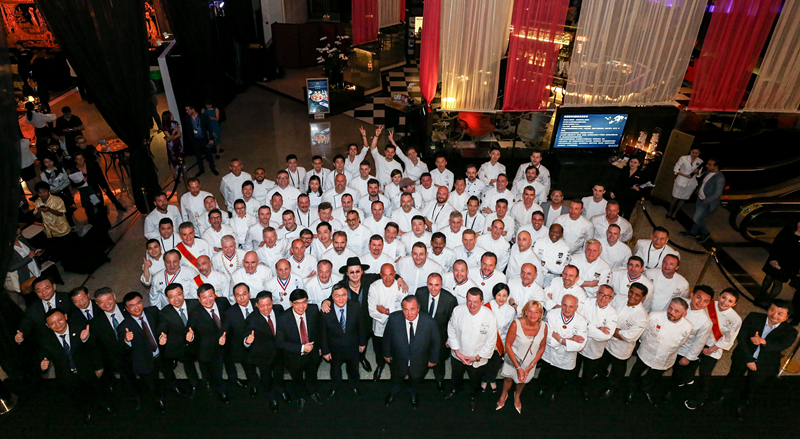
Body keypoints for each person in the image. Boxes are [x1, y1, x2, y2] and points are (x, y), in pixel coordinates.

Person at [714, 300, 797, 417]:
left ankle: (743, 405)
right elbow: (741, 337)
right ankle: (723, 396)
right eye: (772, 310)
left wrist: (763, 342)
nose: (774, 315)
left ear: (787, 316)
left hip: (765, 363)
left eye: (780, 313)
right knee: (733, 376)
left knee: (753, 384)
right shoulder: (754, 317)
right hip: (744, 355)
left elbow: (781, 346)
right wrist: (749, 360)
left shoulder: (791, 332)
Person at [38, 309, 110, 423]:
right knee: (77, 396)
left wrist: (98, 366)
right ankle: (85, 412)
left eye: (59, 319)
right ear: (47, 325)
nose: (57, 324)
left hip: (87, 369)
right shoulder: (46, 340)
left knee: (98, 390)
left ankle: (107, 406)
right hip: (66, 375)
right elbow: (43, 357)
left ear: (66, 317)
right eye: (52, 323)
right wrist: (42, 366)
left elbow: (94, 349)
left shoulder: (80, 329)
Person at [627, 298, 692, 405]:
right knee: (636, 372)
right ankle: (631, 390)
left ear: (684, 314)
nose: (671, 312)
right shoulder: (654, 316)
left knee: (653, 377)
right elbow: (644, 334)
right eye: (670, 308)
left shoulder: (687, 327)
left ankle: (645, 389)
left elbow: (681, 342)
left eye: (676, 311)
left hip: (665, 358)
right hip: (646, 352)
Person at [684, 288, 742, 410]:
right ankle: (687, 380)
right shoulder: (708, 304)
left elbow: (728, 339)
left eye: (730, 301)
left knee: (705, 372)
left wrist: (710, 350)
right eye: (723, 297)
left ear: (734, 304)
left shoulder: (735, 319)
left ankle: (701, 397)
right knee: (691, 362)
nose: (725, 302)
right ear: (719, 296)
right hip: (697, 341)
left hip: (713, 347)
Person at [445, 287, 498, 411]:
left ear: (482, 301)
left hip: (477, 357)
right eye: (469, 301)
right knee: (456, 375)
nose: (472, 305)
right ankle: (454, 389)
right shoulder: (458, 311)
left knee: (475, 380)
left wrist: (477, 358)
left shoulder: (489, 316)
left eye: (475, 302)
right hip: (458, 354)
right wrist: (458, 352)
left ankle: (474, 396)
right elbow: (451, 330)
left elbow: (491, 341)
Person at [383, 296, 440, 408]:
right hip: (398, 359)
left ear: (418, 309)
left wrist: (433, 359)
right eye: (406, 309)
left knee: (415, 379)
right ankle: (393, 392)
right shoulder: (394, 319)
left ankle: (413, 393)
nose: (409, 313)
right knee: (396, 378)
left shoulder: (429, 322)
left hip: (419, 361)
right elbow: (387, 337)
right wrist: (386, 353)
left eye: (412, 309)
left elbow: (436, 342)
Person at [117, 292, 167, 412]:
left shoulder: (153, 311)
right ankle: (157, 399)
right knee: (152, 384)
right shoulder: (123, 327)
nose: (136, 307)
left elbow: (163, 322)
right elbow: (122, 350)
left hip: (161, 353)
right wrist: (127, 341)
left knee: (168, 373)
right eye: (132, 305)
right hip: (145, 361)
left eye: (138, 303)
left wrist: (163, 333)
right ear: (126, 308)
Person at [276, 289, 323, 412]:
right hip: (294, 356)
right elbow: (280, 342)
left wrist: (320, 347)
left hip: (313, 353)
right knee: (297, 378)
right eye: (297, 303)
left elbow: (320, 330)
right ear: (291, 303)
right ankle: (301, 396)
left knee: (312, 374)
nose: (301, 306)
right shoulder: (283, 318)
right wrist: (302, 348)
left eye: (304, 302)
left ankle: (312, 391)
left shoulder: (313, 310)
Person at [600, 283, 649, 399]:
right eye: (631, 292)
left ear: (643, 298)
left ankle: (611, 388)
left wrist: (611, 329)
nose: (632, 296)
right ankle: (600, 376)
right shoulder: (619, 298)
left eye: (637, 295)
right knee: (602, 361)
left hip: (621, 349)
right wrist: (618, 332)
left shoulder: (642, 316)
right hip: (606, 341)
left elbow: (630, 337)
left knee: (617, 370)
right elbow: (606, 312)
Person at [497, 300, 547, 413]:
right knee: (508, 378)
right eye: (530, 311)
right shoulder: (516, 324)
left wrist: (531, 366)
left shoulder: (544, 327)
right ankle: (504, 394)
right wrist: (517, 367)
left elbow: (542, 348)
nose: (533, 315)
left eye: (536, 312)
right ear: (525, 312)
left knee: (522, 381)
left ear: (540, 314)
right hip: (513, 359)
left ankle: (517, 395)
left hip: (530, 362)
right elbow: (508, 345)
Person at [538, 294, 588, 402]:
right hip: (549, 354)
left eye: (571, 306)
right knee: (545, 373)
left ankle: (554, 392)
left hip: (565, 358)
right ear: (561, 304)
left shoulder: (582, 321)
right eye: (564, 305)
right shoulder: (551, 314)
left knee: (559, 377)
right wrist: (570, 340)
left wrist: (559, 339)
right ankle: (542, 388)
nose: (567, 309)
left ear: (576, 307)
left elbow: (580, 346)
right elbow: (548, 337)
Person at [321, 284, 366, 400]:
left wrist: (362, 343)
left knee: (354, 369)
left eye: (344, 295)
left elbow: (361, 326)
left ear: (347, 295)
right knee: (335, 370)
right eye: (337, 295)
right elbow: (323, 333)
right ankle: (334, 387)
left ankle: (354, 385)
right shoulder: (326, 311)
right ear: (332, 297)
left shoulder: (355, 306)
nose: (341, 298)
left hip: (353, 346)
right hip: (335, 349)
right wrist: (325, 351)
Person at [243, 290, 286, 410]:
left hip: (279, 351)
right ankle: (271, 396)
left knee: (279, 373)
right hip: (263, 354)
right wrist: (247, 341)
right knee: (266, 377)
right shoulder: (252, 319)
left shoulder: (279, 309)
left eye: (268, 304)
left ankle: (280, 389)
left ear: (272, 302)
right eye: (262, 306)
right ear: (257, 305)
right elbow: (246, 337)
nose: (266, 309)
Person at [156, 284, 199, 396]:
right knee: (188, 365)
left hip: (198, 340)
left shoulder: (195, 304)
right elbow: (162, 327)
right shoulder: (164, 313)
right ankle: (194, 384)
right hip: (181, 344)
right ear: (167, 298)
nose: (176, 299)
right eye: (172, 296)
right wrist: (162, 336)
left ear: (183, 293)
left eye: (178, 294)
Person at [416, 273, 457, 390]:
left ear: (441, 285)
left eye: (436, 285)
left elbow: (453, 322)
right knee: (421, 357)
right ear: (427, 284)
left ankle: (439, 378)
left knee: (439, 359)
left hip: (441, 335)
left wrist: (450, 338)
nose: (433, 288)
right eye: (430, 284)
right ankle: (420, 376)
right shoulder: (420, 293)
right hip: (422, 334)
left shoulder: (450, 300)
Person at [368, 264, 409, 381]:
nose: (388, 278)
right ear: (381, 274)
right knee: (379, 349)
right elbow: (372, 311)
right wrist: (391, 312)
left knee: (395, 348)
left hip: (396, 326)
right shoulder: (374, 287)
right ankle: (380, 365)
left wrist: (385, 311)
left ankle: (394, 368)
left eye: (390, 275)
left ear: (395, 274)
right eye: (384, 275)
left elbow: (404, 311)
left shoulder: (401, 287)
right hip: (379, 325)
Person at [576, 285, 618, 400]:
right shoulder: (587, 302)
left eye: (607, 296)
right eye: (601, 294)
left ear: (611, 298)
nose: (603, 298)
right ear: (597, 293)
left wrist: (587, 326)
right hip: (579, 343)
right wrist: (597, 328)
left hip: (594, 350)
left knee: (588, 373)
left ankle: (585, 390)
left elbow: (605, 336)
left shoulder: (612, 313)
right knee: (574, 369)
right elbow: (577, 319)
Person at [754, 219, 800, 308]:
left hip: (788, 264)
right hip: (776, 258)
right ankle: (761, 295)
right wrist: (773, 258)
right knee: (768, 278)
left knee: (778, 282)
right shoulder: (788, 230)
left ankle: (769, 300)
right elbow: (776, 243)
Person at [480, 283, 516, 392]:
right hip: (486, 340)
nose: (501, 298)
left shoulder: (511, 311)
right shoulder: (486, 307)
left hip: (500, 342)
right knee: (485, 362)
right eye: (499, 295)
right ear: (494, 295)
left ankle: (492, 379)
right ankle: (484, 379)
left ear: (508, 296)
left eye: (504, 295)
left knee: (495, 363)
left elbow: (510, 328)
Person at [683, 158, 725, 243]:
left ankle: (705, 233)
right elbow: (703, 183)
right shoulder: (708, 172)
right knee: (698, 217)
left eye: (710, 164)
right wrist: (698, 192)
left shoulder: (719, 178)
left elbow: (716, 194)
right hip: (700, 198)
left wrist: (705, 201)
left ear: (716, 166)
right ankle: (693, 232)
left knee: (697, 219)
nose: (707, 165)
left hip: (706, 202)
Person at [33, 182, 72, 260]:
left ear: (48, 191)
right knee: (56, 247)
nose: (42, 194)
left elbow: (61, 213)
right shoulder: (37, 202)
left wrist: (49, 209)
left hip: (61, 229)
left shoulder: (57, 200)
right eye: (40, 192)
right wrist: (40, 211)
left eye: (44, 191)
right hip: (49, 230)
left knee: (67, 248)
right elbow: (36, 216)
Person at [667, 148, 702, 220]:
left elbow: (698, 175)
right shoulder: (683, 158)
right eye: (693, 152)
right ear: (690, 152)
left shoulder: (700, 161)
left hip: (691, 183)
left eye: (696, 153)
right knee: (675, 198)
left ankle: (675, 213)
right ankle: (670, 211)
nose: (694, 154)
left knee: (683, 199)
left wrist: (697, 172)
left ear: (699, 154)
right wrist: (685, 175)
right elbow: (676, 169)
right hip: (681, 180)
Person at [184, 104, 218, 177]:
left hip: (204, 139)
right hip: (195, 140)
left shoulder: (203, 116)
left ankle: (213, 168)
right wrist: (191, 140)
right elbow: (188, 130)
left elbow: (209, 128)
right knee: (198, 156)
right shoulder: (187, 118)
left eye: (188, 110)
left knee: (209, 155)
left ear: (192, 109)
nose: (187, 112)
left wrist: (211, 138)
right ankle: (201, 169)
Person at [161, 111, 183, 178]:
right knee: (172, 158)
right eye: (171, 115)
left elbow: (179, 134)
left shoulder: (175, 123)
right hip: (171, 145)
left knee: (180, 156)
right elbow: (170, 138)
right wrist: (173, 133)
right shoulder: (164, 127)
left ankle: (181, 170)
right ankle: (174, 174)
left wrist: (170, 138)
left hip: (177, 142)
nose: (173, 116)